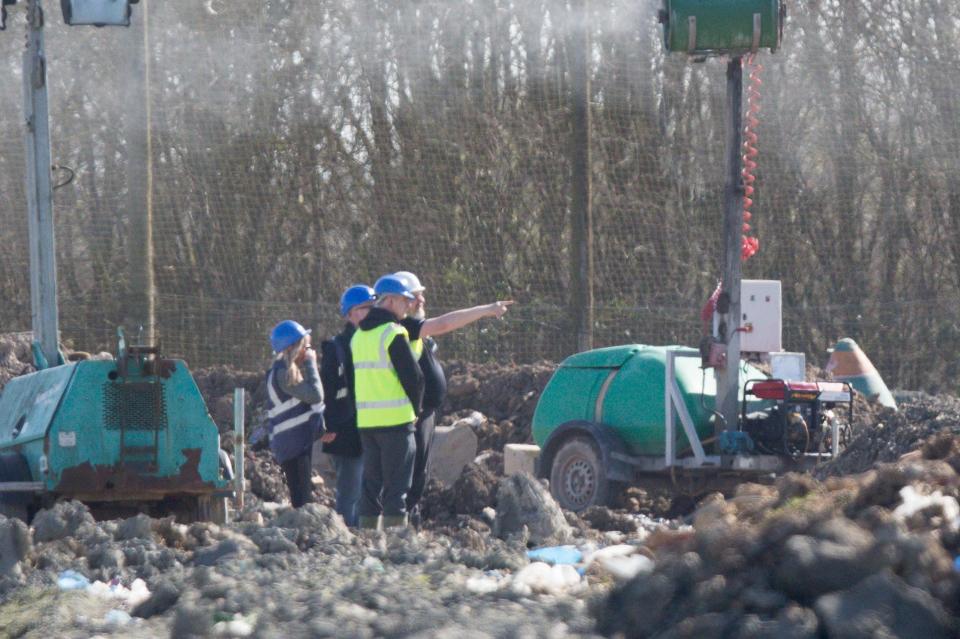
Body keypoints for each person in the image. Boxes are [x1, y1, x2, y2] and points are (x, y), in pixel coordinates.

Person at [391, 271, 513, 519]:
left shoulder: (412, 329)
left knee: (417, 476)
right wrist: (487, 309)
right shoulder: (403, 326)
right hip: (410, 414)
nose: (422, 301)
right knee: (406, 476)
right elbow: (445, 323)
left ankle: (408, 521)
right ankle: (399, 526)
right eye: (415, 296)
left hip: (423, 413)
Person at [352, 274, 424, 529]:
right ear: (391, 301)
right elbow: (413, 376)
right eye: (405, 300)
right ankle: (396, 545)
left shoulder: (358, 337)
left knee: (370, 486)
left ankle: (367, 538)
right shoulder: (392, 332)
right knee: (397, 488)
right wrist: (417, 408)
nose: (408, 304)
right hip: (396, 422)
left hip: (368, 424)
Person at [318, 284, 376, 527]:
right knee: (350, 490)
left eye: (374, 307)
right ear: (350, 313)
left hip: (373, 424)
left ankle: (365, 535)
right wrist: (327, 425)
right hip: (346, 428)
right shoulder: (337, 348)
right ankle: (346, 537)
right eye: (366, 308)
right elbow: (328, 389)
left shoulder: (380, 339)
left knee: (370, 491)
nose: (372, 312)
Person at [265, 320, 325, 508]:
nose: (308, 350)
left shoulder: (281, 372)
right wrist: (311, 364)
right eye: (305, 346)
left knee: (301, 497)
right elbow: (315, 395)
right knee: (302, 501)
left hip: (293, 443)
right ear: (294, 347)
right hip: (293, 446)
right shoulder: (283, 374)